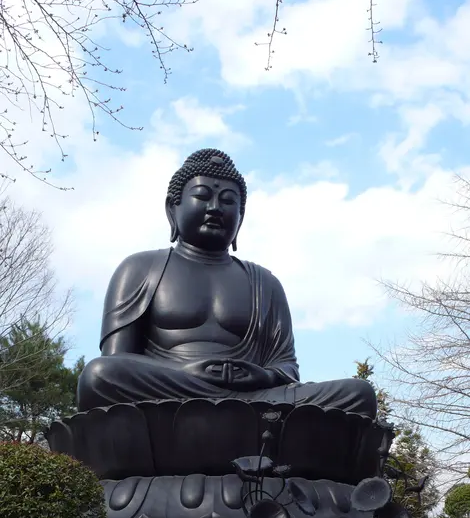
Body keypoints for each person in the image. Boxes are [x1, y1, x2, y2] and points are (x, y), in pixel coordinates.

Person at [77, 149, 376, 419]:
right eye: (202, 196)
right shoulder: (140, 268)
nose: (216, 207)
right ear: (172, 208)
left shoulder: (265, 283)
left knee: (357, 394)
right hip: (172, 391)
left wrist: (262, 377)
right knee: (98, 375)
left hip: (256, 398)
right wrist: (186, 371)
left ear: (241, 217)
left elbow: (286, 367)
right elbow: (116, 359)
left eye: (229, 200)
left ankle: (231, 419)